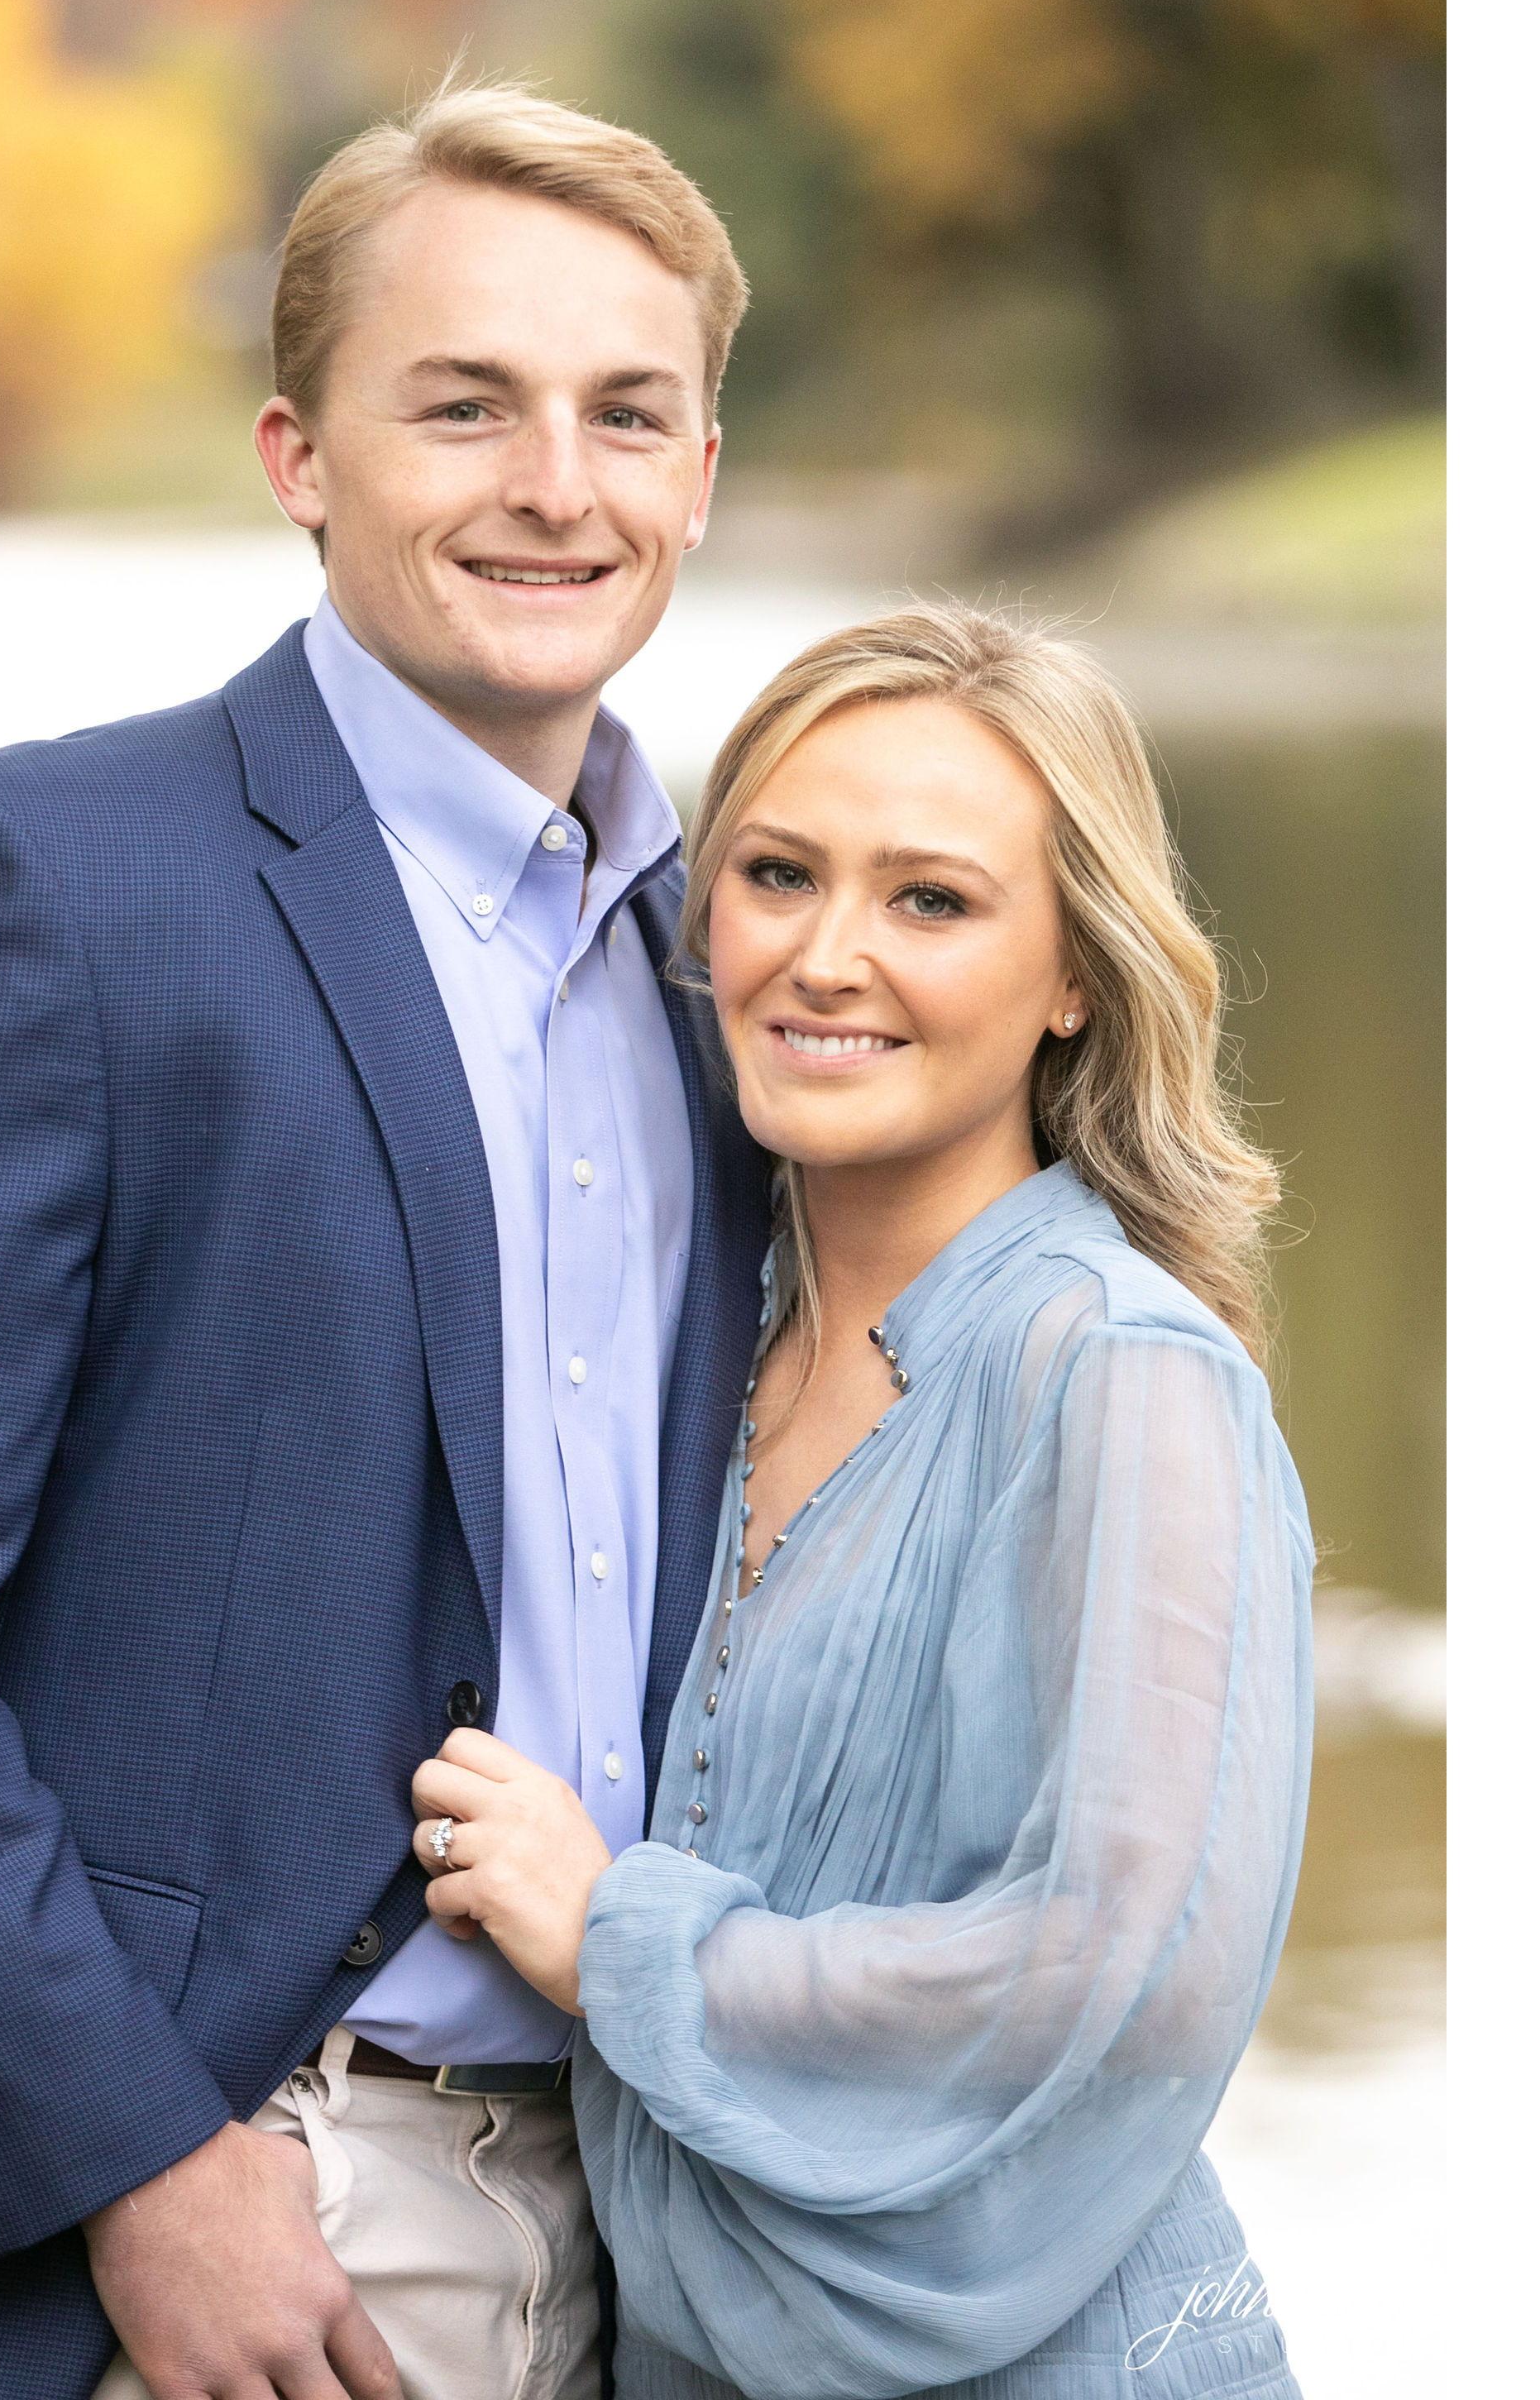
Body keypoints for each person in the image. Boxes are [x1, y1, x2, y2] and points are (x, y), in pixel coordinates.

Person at [0, 81, 769, 2400]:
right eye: (465, 405)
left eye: (627, 414)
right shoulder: (40, 889)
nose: (558, 484)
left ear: (704, 473)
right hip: (213, 2208)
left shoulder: (738, 962)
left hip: (655, 2225)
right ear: (299, 456)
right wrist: (128, 2162)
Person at [407, 604, 1318, 2398]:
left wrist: (622, 1944)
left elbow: (1134, 1975)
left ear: (1075, 974)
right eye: (778, 875)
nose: (828, 958)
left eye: (932, 901)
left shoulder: (1122, 1370)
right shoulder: (680, 1346)